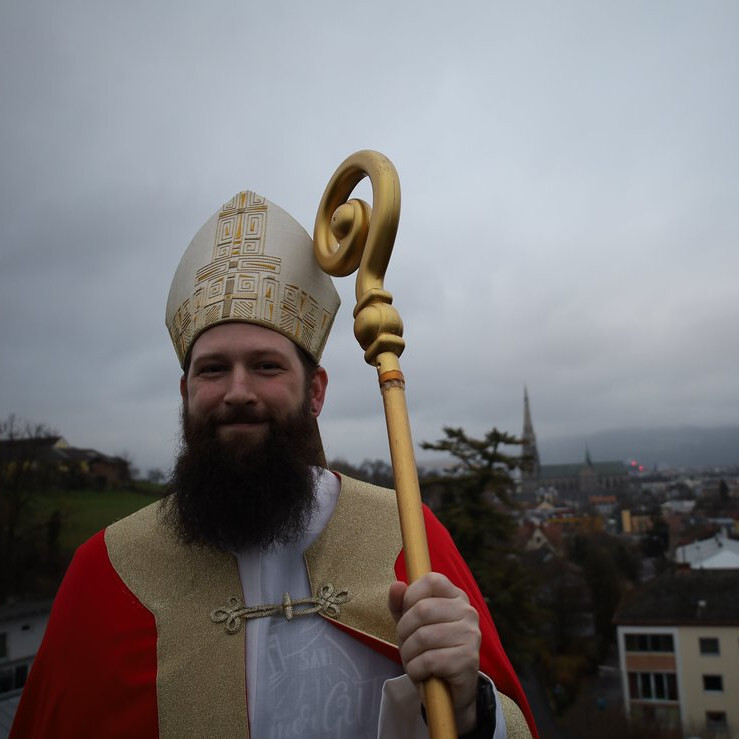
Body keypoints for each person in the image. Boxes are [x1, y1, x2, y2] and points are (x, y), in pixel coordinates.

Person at [11, 190, 537, 738]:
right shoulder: (107, 571)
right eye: (213, 370)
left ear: (316, 393)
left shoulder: (408, 538)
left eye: (266, 366)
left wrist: (471, 708)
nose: (238, 392)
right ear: (185, 392)